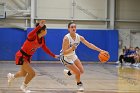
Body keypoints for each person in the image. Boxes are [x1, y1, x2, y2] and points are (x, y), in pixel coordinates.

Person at [7, 20, 59, 93]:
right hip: (21, 56)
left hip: (28, 57)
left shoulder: (42, 39)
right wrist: (39, 26)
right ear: (42, 30)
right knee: (32, 73)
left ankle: (12, 76)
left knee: (23, 73)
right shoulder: (32, 36)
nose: (46, 31)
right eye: (46, 29)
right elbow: (30, 34)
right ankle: (23, 87)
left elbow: (45, 48)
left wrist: (53, 55)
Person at [60, 22, 108, 91]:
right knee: (78, 72)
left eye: (74, 27)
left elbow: (89, 45)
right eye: (72, 27)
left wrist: (100, 50)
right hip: (65, 57)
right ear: (68, 29)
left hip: (72, 55)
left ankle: (69, 73)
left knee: (81, 71)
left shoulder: (79, 37)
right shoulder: (66, 39)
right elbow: (64, 52)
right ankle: (79, 84)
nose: (73, 28)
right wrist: (71, 48)